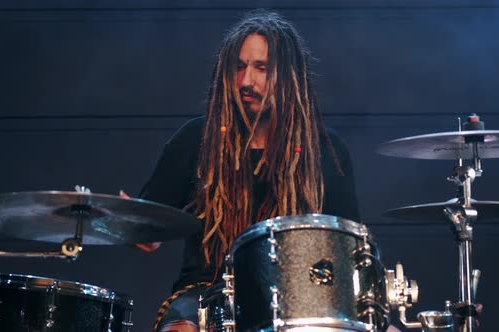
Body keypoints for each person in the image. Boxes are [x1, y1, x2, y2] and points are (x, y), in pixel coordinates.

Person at [133, 10, 361, 332]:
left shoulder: (324, 149)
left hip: (297, 296)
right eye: (239, 67)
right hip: (206, 290)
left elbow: (349, 247)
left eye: (261, 69)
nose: (246, 81)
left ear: (288, 76)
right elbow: (148, 227)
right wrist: (136, 229)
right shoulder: (197, 139)